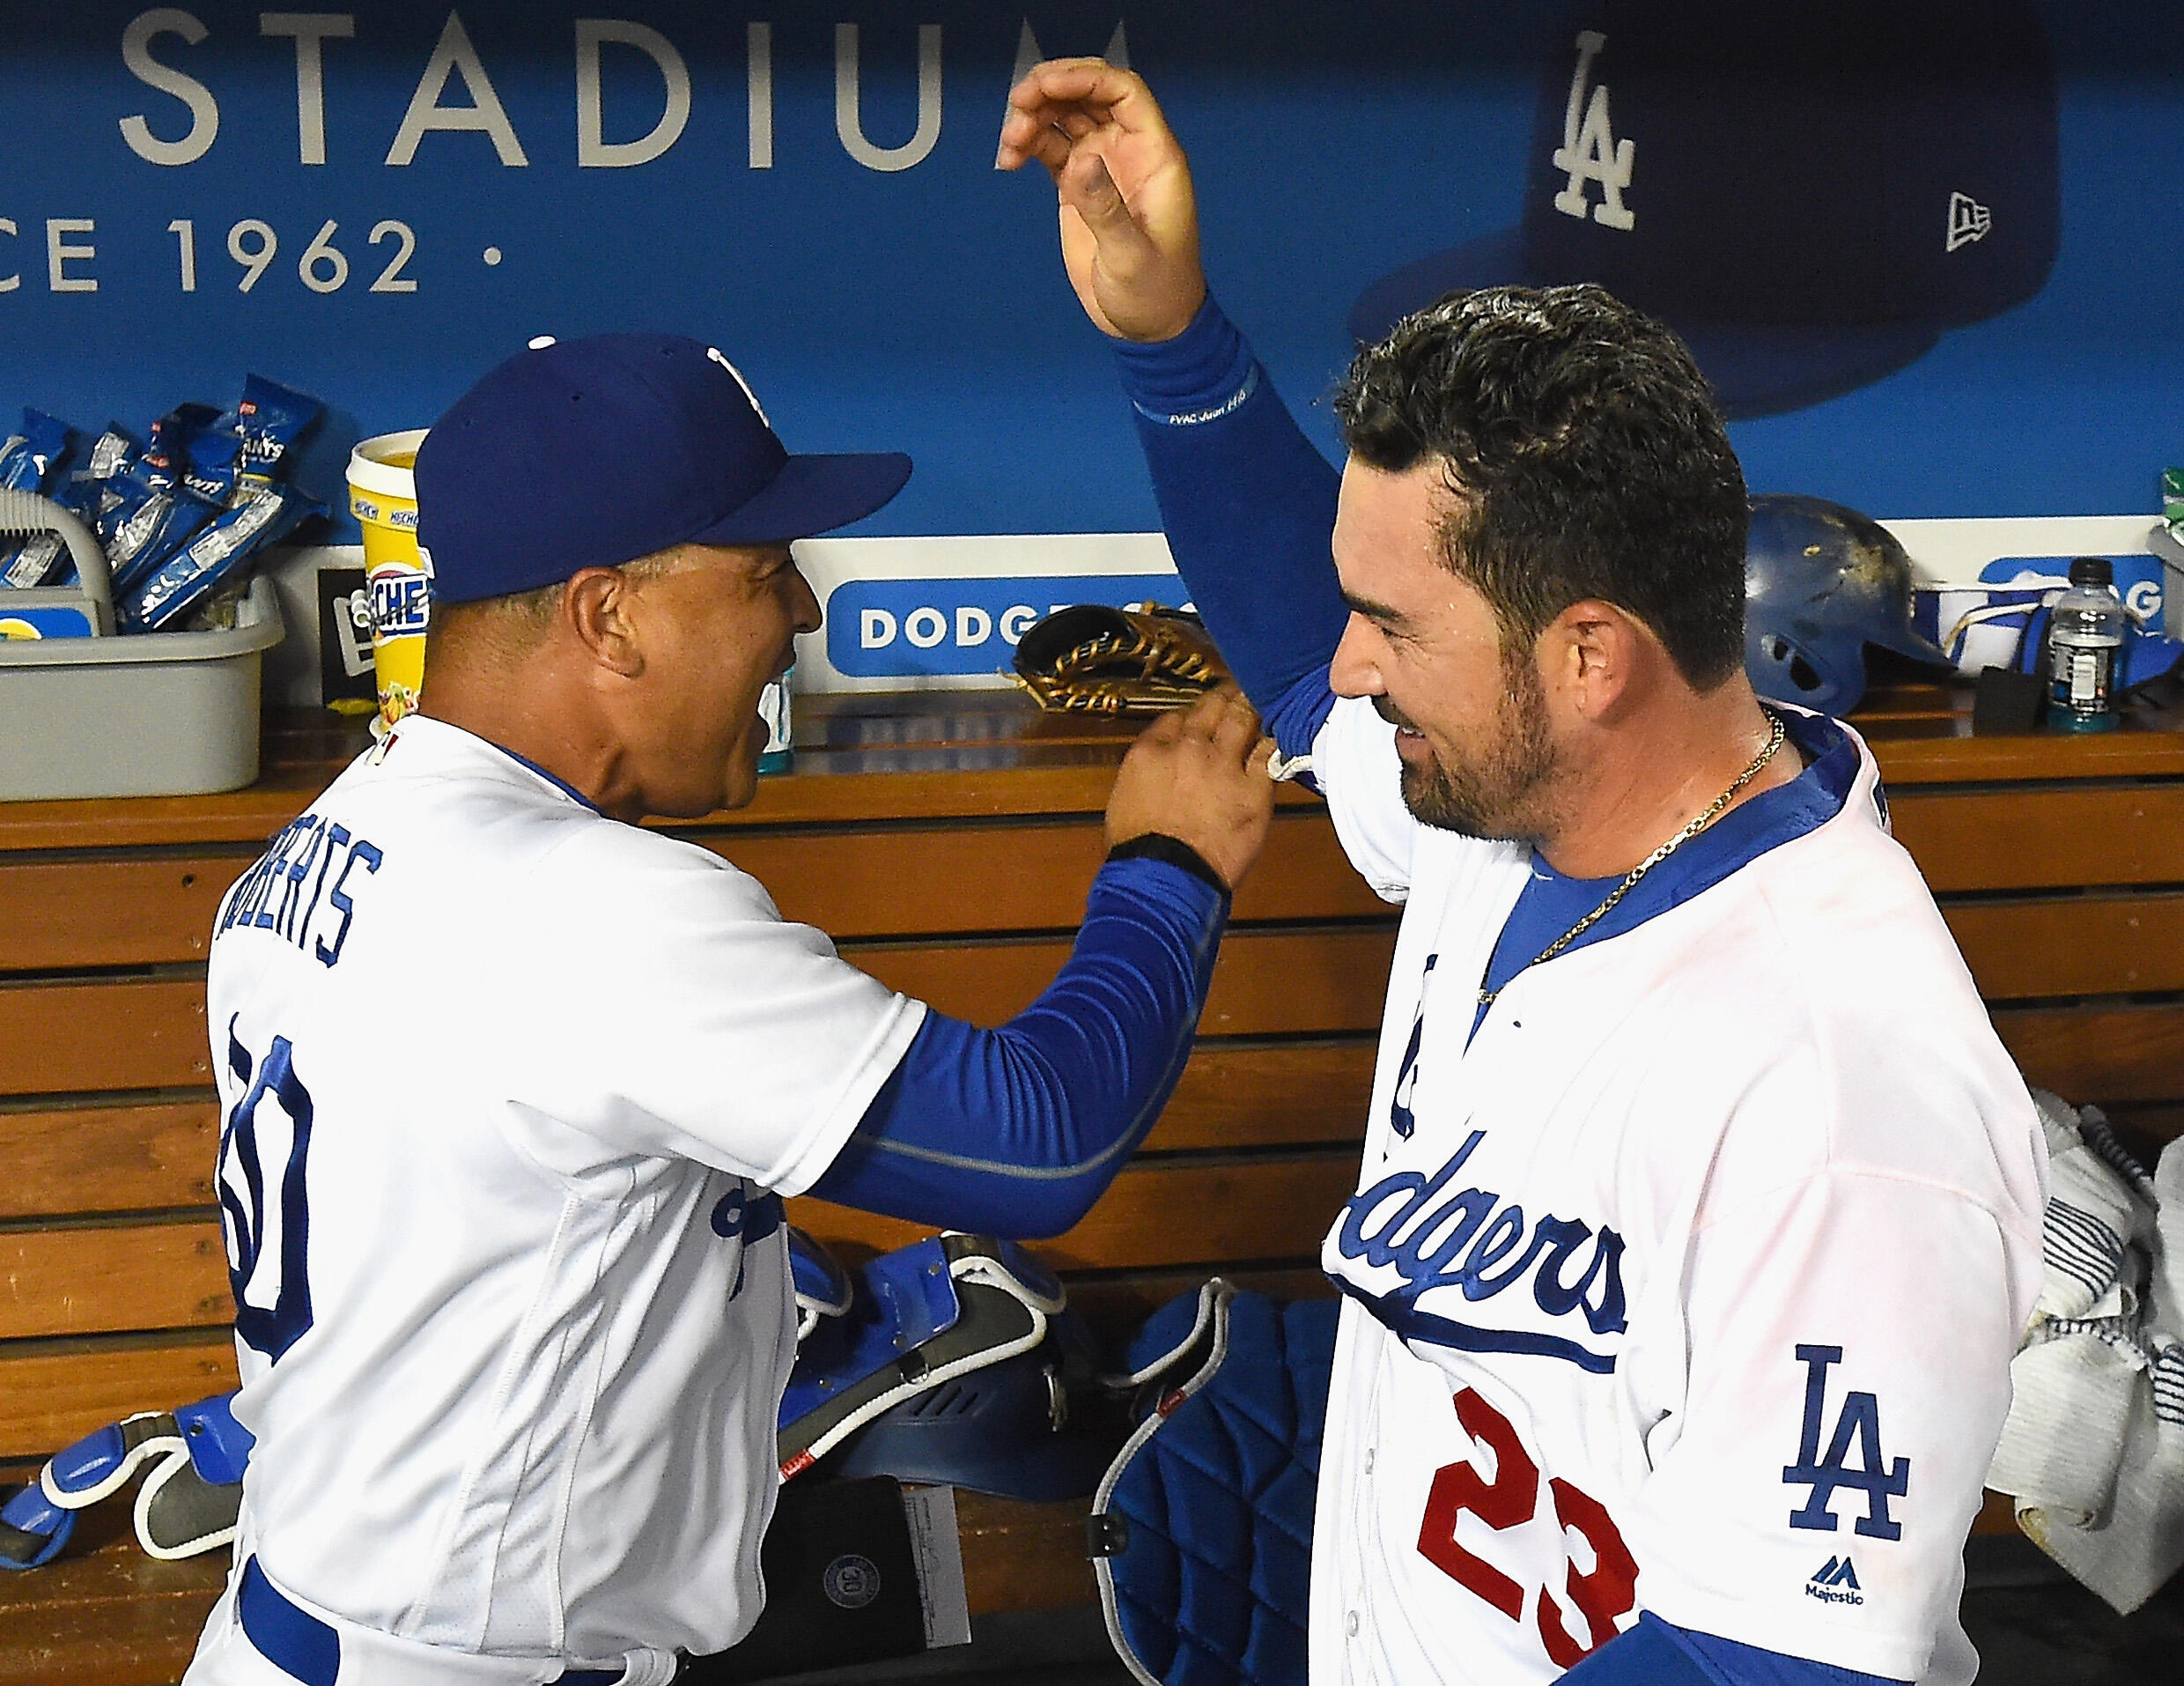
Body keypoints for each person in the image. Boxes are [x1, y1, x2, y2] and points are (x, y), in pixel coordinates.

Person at [998, 61, 2048, 1686]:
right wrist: (1171, 341)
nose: (1344, 674)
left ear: (1589, 656)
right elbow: (1299, 659)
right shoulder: (1512, 810)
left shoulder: (1842, 1098)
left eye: (1397, 628)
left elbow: (1776, 1665)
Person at [183, 332, 1274, 1686]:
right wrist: (1167, 871)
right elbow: (1037, 1143)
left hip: (328, 1623)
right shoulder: (586, 906)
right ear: (607, 615)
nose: (804, 617)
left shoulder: (311, 851)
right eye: (764, 575)